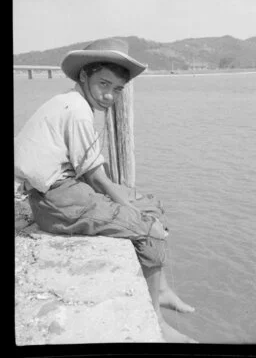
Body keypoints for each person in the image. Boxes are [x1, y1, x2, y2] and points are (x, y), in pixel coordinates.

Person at [14, 38, 196, 343]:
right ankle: (158, 321)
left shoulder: (71, 103)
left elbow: (92, 172)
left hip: (66, 192)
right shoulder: (76, 110)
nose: (109, 95)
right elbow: (97, 179)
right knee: (149, 227)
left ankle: (162, 289)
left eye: (118, 88)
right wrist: (131, 207)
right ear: (84, 76)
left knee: (152, 204)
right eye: (103, 84)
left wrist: (135, 201)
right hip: (58, 201)